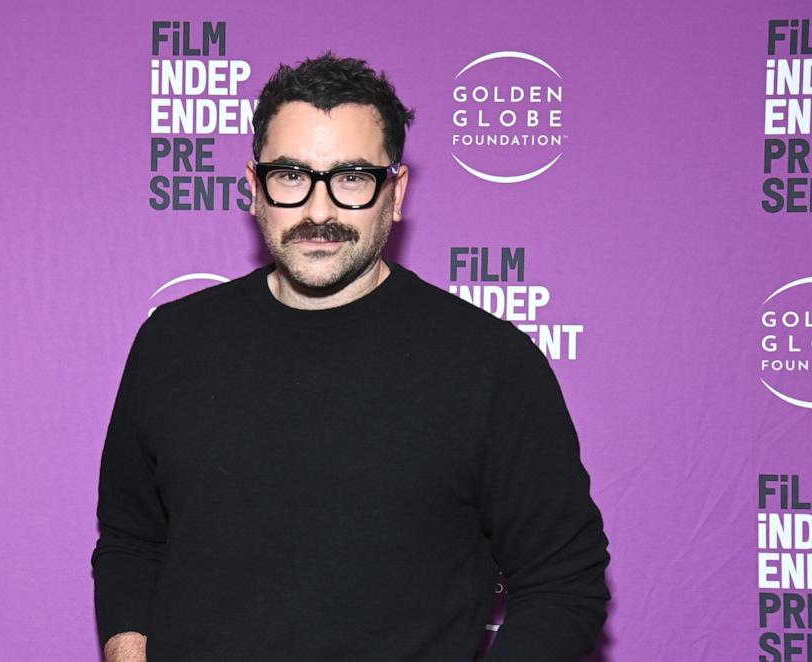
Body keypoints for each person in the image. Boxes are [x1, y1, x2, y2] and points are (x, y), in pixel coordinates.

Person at [92, 52, 609, 662]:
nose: (319, 211)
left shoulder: (490, 365)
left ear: (395, 191)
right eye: (292, 175)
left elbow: (564, 582)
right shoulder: (173, 343)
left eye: (352, 177)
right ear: (254, 188)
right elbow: (131, 540)